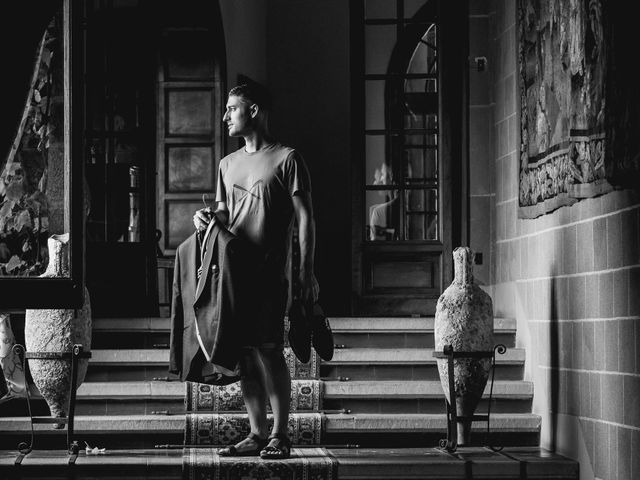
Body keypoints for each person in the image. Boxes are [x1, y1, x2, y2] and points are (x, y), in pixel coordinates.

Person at [192, 82, 319, 459]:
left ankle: (281, 434)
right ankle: (257, 434)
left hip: (270, 272)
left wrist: (306, 272)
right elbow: (224, 214)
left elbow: (306, 220)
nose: (226, 115)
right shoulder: (226, 164)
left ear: (254, 110)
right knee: (245, 353)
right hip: (234, 273)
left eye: (232, 108)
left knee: (268, 350)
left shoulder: (287, 158)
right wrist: (206, 219)